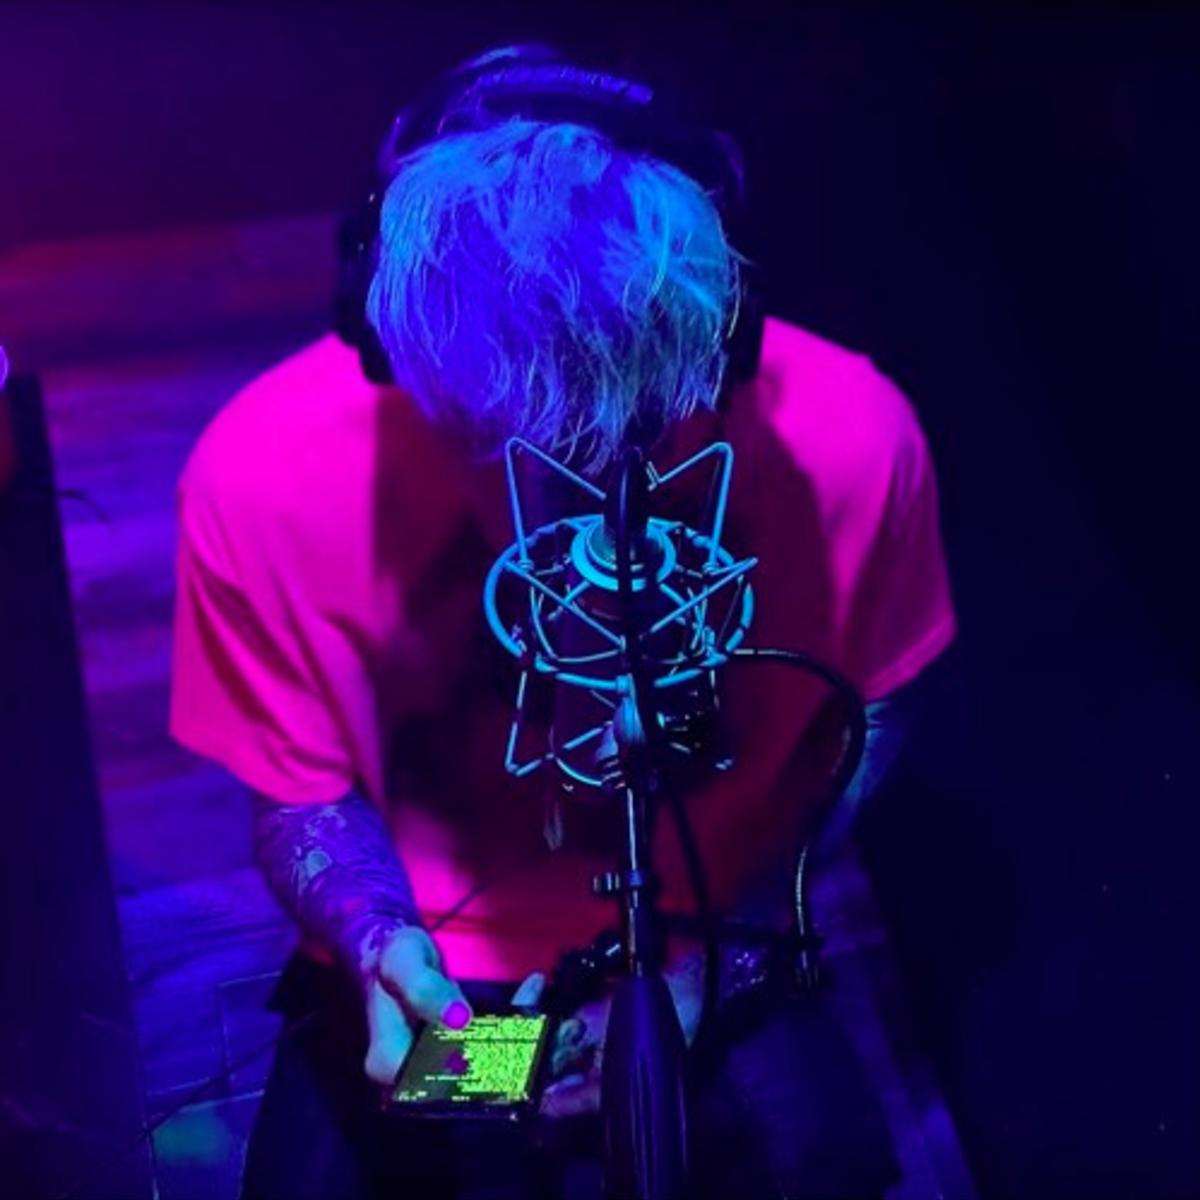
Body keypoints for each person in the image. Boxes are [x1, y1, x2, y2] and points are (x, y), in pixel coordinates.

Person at [170, 45, 956, 1200]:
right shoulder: (258, 475)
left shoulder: (855, 441)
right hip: (444, 976)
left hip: (708, 948)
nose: (548, 492)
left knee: (826, 1167)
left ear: (723, 330)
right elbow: (299, 791)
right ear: (384, 342)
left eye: (626, 432)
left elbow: (876, 714)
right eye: (483, 434)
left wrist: (719, 957)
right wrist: (378, 945)